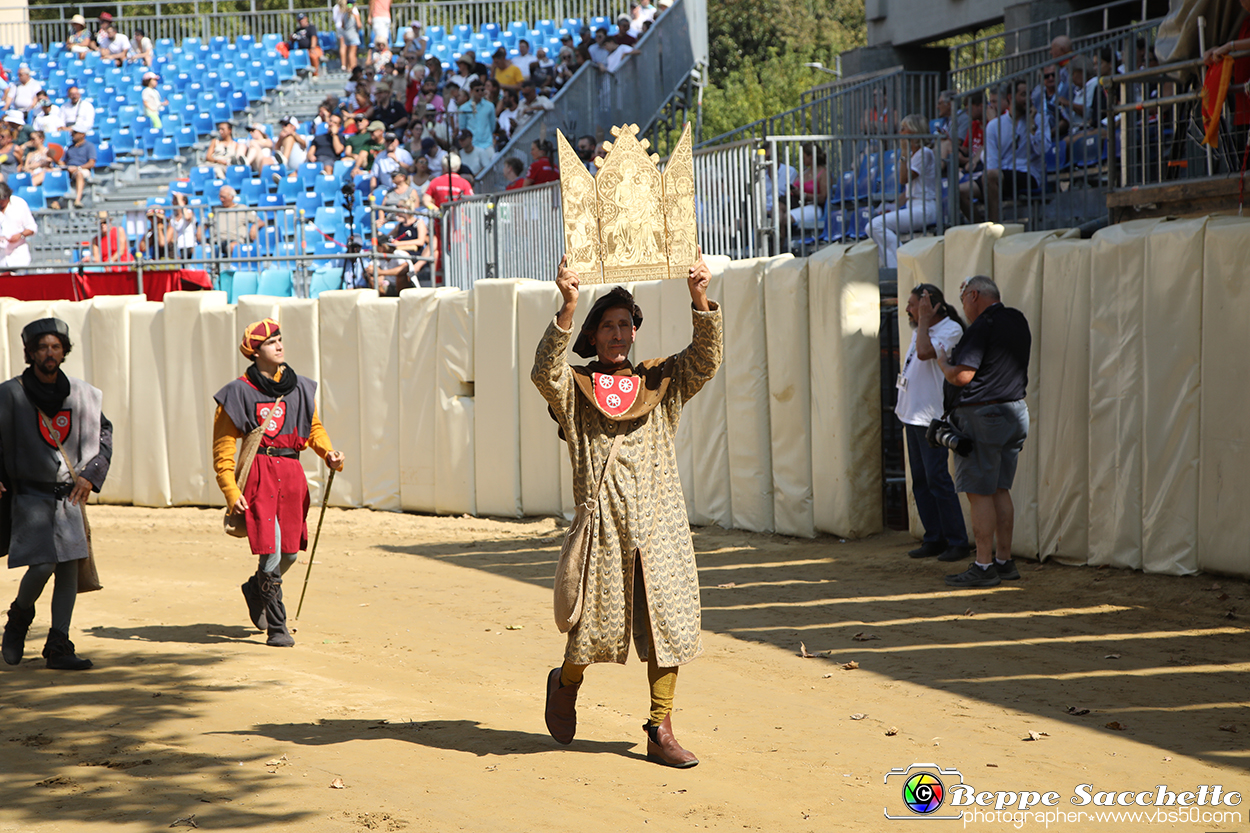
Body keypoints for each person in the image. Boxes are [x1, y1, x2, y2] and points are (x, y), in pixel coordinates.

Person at [532, 252, 722, 768]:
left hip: (661, 528)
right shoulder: (576, 388)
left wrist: (699, 298)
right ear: (592, 337)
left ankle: (660, 726)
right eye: (607, 327)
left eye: (625, 325)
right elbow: (543, 371)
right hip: (604, 531)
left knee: (668, 626)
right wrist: (568, 305)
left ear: (635, 333)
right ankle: (565, 683)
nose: (618, 335)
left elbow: (705, 360)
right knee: (589, 630)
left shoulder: (661, 380)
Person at [213, 319, 345, 647]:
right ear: (254, 352)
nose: (279, 345)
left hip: (292, 473)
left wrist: (329, 453)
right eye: (271, 342)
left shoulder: (299, 387)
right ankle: (277, 626)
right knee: (270, 549)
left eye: (280, 339)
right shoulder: (237, 392)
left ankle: (254, 589)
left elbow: (313, 429)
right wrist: (231, 490)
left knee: (290, 553)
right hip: (258, 474)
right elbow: (224, 448)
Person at [0, 318, 113, 671]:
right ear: (30, 353)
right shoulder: (9, 393)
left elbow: (104, 435)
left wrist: (91, 476)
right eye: (42, 347)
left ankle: (59, 645)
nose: (50, 353)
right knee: (44, 564)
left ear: (64, 351)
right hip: (29, 495)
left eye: (55, 346)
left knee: (68, 569)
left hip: (70, 496)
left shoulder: (83, 394)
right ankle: (18, 618)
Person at [932, 276, 1030, 589]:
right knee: (1000, 488)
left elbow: (962, 376)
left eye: (963, 300)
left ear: (974, 295)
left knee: (980, 493)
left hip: (982, 416)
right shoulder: (1017, 320)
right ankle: (1004, 560)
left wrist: (944, 363)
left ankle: (983, 565)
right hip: (1014, 412)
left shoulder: (982, 326)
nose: (964, 307)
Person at [896, 284, 969, 561]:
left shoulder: (950, 329)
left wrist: (925, 320)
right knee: (921, 481)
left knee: (937, 479)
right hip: (911, 417)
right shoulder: (920, 331)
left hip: (932, 418)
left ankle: (958, 541)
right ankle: (934, 537)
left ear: (930, 307)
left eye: (913, 304)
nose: (907, 309)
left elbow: (926, 353)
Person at [958, 80, 1043, 224]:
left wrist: (1032, 126)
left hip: (1028, 173)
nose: (1028, 99)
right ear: (1011, 98)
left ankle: (994, 226)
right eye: (1023, 95)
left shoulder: (1038, 119)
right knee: (960, 191)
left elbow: (1042, 150)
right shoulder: (994, 126)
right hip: (1000, 175)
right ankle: (981, 227)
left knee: (991, 175)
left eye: (1029, 94)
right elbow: (991, 161)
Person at [868, 114, 941, 268]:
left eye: (903, 128)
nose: (900, 132)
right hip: (913, 206)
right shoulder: (914, 154)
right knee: (874, 226)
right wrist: (889, 207)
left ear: (914, 131)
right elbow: (907, 192)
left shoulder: (924, 153)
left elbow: (904, 179)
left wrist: (903, 153)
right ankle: (898, 263)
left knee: (875, 226)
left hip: (925, 208)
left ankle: (899, 266)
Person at [212, 186, 259, 257]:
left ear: (232, 197)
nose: (221, 199)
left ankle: (234, 267)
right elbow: (206, 222)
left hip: (234, 240)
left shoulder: (242, 208)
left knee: (233, 247)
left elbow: (260, 221)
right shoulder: (215, 209)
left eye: (224, 197)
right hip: (216, 241)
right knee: (203, 248)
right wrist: (200, 228)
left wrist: (255, 226)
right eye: (220, 196)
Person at [0, 182, 37, 268]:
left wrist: (20, 235)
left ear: (8, 197)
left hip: (18, 258)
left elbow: (32, 227)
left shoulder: (19, 204)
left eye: (2, 202)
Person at [60, 126, 96, 209]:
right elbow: (64, 162)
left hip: (82, 169)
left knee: (79, 174)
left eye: (75, 133)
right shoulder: (70, 147)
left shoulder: (89, 146)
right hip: (69, 169)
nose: (72, 135)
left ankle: (77, 199)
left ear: (82, 135)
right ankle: (56, 201)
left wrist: (78, 168)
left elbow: (91, 163)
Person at [459, 80, 496, 152]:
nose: (480, 92)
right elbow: (462, 127)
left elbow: (492, 126)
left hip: (487, 144)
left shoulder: (490, 106)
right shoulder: (464, 108)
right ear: (471, 91)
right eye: (477, 90)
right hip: (472, 145)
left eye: (482, 90)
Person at [169, 192, 201, 259]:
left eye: (175, 200)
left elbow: (187, 217)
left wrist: (180, 200)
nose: (173, 202)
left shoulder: (189, 212)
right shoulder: (172, 217)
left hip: (190, 246)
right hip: (178, 248)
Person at [339, 0, 362, 71]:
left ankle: (348, 67)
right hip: (353, 34)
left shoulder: (344, 14)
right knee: (352, 53)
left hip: (346, 35)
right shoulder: (354, 14)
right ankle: (353, 67)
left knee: (348, 51)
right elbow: (359, 25)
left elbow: (342, 26)